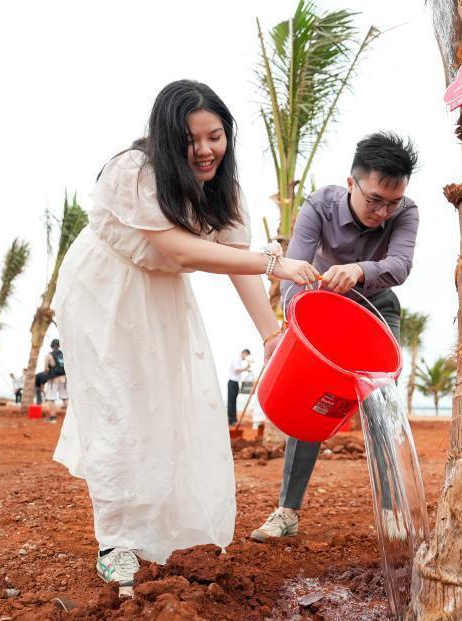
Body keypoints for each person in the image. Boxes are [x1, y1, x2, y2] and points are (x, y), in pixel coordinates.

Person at [50, 80, 318, 597]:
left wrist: (270, 333)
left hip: (162, 298)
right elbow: (183, 252)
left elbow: (235, 259)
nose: (204, 150)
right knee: (118, 410)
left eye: (215, 136)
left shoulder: (225, 188)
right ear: (167, 139)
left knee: (168, 408)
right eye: (190, 140)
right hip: (102, 294)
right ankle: (115, 544)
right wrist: (275, 261)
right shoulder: (133, 171)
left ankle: (159, 532)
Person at [250, 131, 419, 543]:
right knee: (312, 404)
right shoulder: (319, 206)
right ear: (351, 184)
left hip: (376, 308)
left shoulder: (406, 211)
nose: (383, 212)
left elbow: (400, 265)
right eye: (375, 199)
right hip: (323, 311)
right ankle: (287, 512)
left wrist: (360, 270)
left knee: (382, 403)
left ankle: (393, 513)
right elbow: (294, 276)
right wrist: (303, 315)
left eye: (392, 202)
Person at [44, 339, 67, 423]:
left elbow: (46, 369)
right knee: (65, 397)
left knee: (51, 398)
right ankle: (71, 419)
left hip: (53, 380)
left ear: (52, 345)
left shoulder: (49, 355)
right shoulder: (64, 354)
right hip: (64, 379)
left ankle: (53, 418)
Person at [227, 349, 251, 425]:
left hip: (235, 383)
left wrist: (246, 368)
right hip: (232, 382)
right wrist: (246, 368)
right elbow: (236, 371)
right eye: (247, 355)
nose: (246, 357)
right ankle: (232, 420)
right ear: (244, 353)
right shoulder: (237, 359)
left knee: (233, 402)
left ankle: (233, 420)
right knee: (231, 402)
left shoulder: (239, 361)